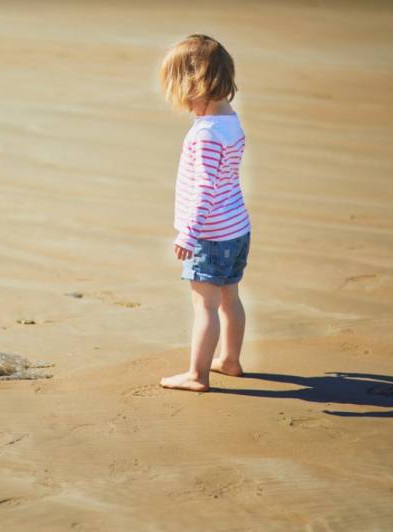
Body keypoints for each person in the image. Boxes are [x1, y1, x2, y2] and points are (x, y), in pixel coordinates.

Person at [157, 34, 251, 392]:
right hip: (236, 228)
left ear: (194, 84)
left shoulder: (206, 134)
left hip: (210, 235)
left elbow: (205, 188)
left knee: (205, 306)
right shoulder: (230, 120)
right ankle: (230, 359)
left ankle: (197, 375)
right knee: (231, 298)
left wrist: (189, 233)